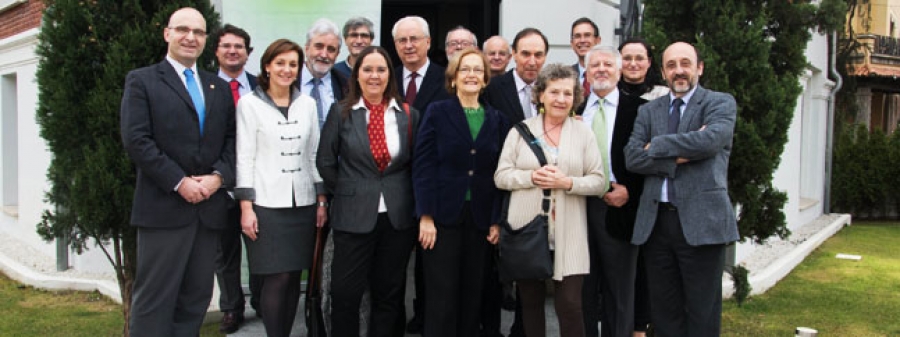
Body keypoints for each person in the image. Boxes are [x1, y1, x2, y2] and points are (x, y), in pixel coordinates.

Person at [120, 7, 235, 336]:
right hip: (163, 210)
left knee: (195, 300)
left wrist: (218, 178)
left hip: (208, 212)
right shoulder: (142, 80)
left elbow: (231, 140)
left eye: (198, 32)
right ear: (167, 33)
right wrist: (179, 182)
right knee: (154, 301)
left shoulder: (218, 87)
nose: (191, 37)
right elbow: (137, 140)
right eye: (183, 29)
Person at [624, 41, 739, 337]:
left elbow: (711, 141)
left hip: (703, 223)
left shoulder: (719, 103)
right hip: (657, 224)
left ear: (699, 68)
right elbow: (633, 157)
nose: (679, 71)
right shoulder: (649, 111)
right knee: (664, 312)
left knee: (702, 312)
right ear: (663, 72)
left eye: (685, 63)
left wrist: (658, 145)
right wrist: (685, 152)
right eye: (672, 65)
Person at [494, 63, 606, 337]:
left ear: (575, 98)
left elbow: (599, 181)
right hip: (527, 230)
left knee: (570, 305)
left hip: (570, 233)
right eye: (554, 92)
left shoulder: (583, 133)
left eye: (567, 93)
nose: (561, 99)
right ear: (541, 94)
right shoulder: (520, 131)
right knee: (530, 305)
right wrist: (532, 177)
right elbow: (501, 176)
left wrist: (567, 182)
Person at [317, 46, 420, 337]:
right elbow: (325, 161)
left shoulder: (409, 115)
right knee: (345, 293)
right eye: (367, 69)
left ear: (390, 75)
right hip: (353, 217)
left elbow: (416, 165)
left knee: (389, 293)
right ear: (356, 75)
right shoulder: (341, 113)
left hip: (397, 218)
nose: (374, 76)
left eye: (381, 70)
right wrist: (351, 191)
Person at [413, 48, 510, 337]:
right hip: (442, 217)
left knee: (473, 292)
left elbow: (499, 174)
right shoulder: (437, 112)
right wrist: (425, 215)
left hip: (480, 218)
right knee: (442, 294)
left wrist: (496, 219)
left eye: (477, 70)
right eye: (465, 69)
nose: (471, 75)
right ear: (454, 78)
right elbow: (423, 166)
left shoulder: (497, 120)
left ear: (485, 79)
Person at [234, 38, 327, 337]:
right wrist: (246, 207)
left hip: (303, 203)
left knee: (292, 278)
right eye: (281, 63)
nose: (287, 70)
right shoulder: (249, 104)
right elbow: (244, 156)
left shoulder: (308, 104)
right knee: (276, 277)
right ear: (267, 66)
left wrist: (321, 200)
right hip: (265, 204)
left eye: (293, 64)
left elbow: (314, 154)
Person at [576, 45, 647, 337]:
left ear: (619, 71)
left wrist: (631, 191)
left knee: (620, 290)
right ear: (587, 73)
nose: (602, 69)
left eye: (608, 64)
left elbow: (650, 159)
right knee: (583, 289)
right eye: (596, 66)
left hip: (621, 207)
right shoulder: (574, 111)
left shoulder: (642, 109)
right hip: (579, 207)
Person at [392, 15, 452, 333]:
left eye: (415, 38)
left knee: (432, 260)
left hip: (436, 184)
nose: (409, 45)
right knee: (396, 256)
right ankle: (397, 317)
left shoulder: (447, 80)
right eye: (402, 40)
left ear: (429, 42)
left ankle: (426, 315)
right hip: (395, 184)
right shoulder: (384, 79)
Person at [211, 23, 260, 334]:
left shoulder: (260, 86)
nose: (232, 51)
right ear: (216, 50)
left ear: (248, 52)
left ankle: (262, 301)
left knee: (260, 248)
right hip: (220, 182)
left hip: (257, 183)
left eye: (239, 46)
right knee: (225, 252)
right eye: (226, 45)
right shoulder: (203, 87)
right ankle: (231, 308)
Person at [616, 37, 666, 337]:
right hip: (616, 189)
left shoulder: (662, 97)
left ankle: (641, 327)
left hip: (648, 188)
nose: (633, 64)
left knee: (647, 265)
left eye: (639, 58)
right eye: (627, 57)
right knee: (623, 265)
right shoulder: (609, 94)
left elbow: (657, 148)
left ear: (649, 62)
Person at [484, 27, 549, 123]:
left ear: (545, 57)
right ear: (514, 54)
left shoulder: (550, 89)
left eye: (538, 55)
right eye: (526, 54)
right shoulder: (492, 88)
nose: (532, 62)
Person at [300, 18, 350, 130]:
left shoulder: (346, 85)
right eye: (319, 46)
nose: (324, 54)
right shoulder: (290, 81)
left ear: (337, 54)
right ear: (307, 48)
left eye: (331, 49)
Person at [569, 18, 602, 97]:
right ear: (572, 43)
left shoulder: (610, 74)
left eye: (587, 35)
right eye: (577, 36)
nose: (582, 40)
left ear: (598, 41)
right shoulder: (565, 75)